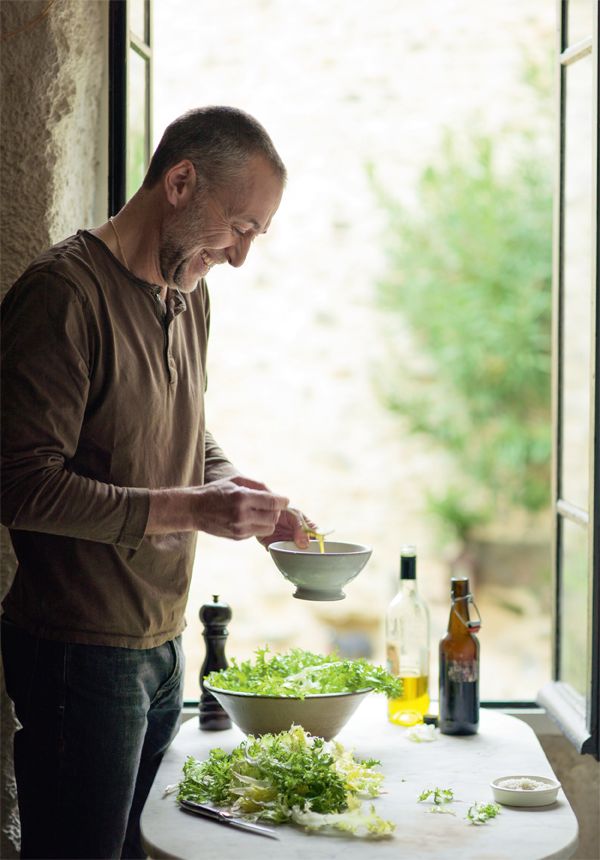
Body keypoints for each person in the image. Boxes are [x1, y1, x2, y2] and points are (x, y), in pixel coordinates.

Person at [1, 105, 311, 859]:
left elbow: (182, 426)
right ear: (180, 182)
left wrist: (233, 483)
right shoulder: (63, 295)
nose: (238, 257)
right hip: (80, 652)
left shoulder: (187, 292)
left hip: (161, 646)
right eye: (239, 228)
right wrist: (193, 508)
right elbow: (18, 484)